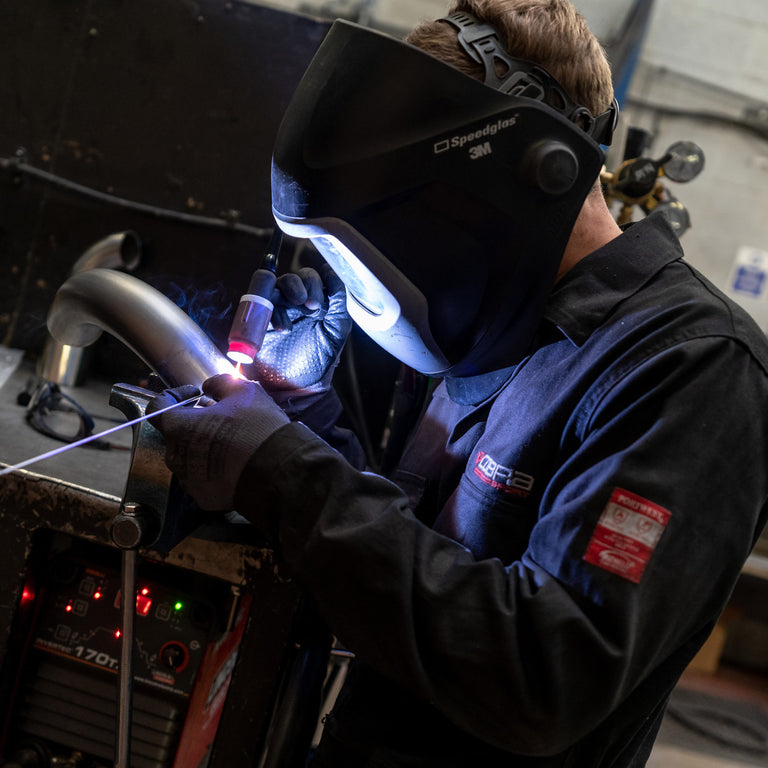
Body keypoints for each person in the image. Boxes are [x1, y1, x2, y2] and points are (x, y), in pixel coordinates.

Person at [148, 1, 768, 765]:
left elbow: (542, 674)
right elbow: (416, 564)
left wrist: (286, 470)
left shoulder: (692, 368)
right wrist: (301, 417)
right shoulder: (499, 323)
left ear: (530, 171)